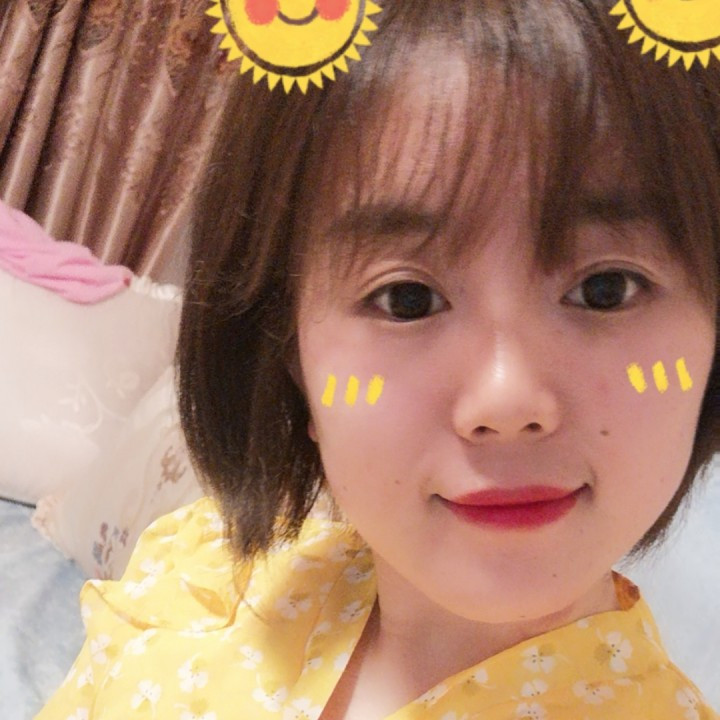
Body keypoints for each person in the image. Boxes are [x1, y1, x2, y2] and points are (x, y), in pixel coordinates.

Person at [37, 1, 720, 718]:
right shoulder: (201, 580)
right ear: (291, 356)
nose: (506, 401)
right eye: (406, 300)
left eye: (606, 289)